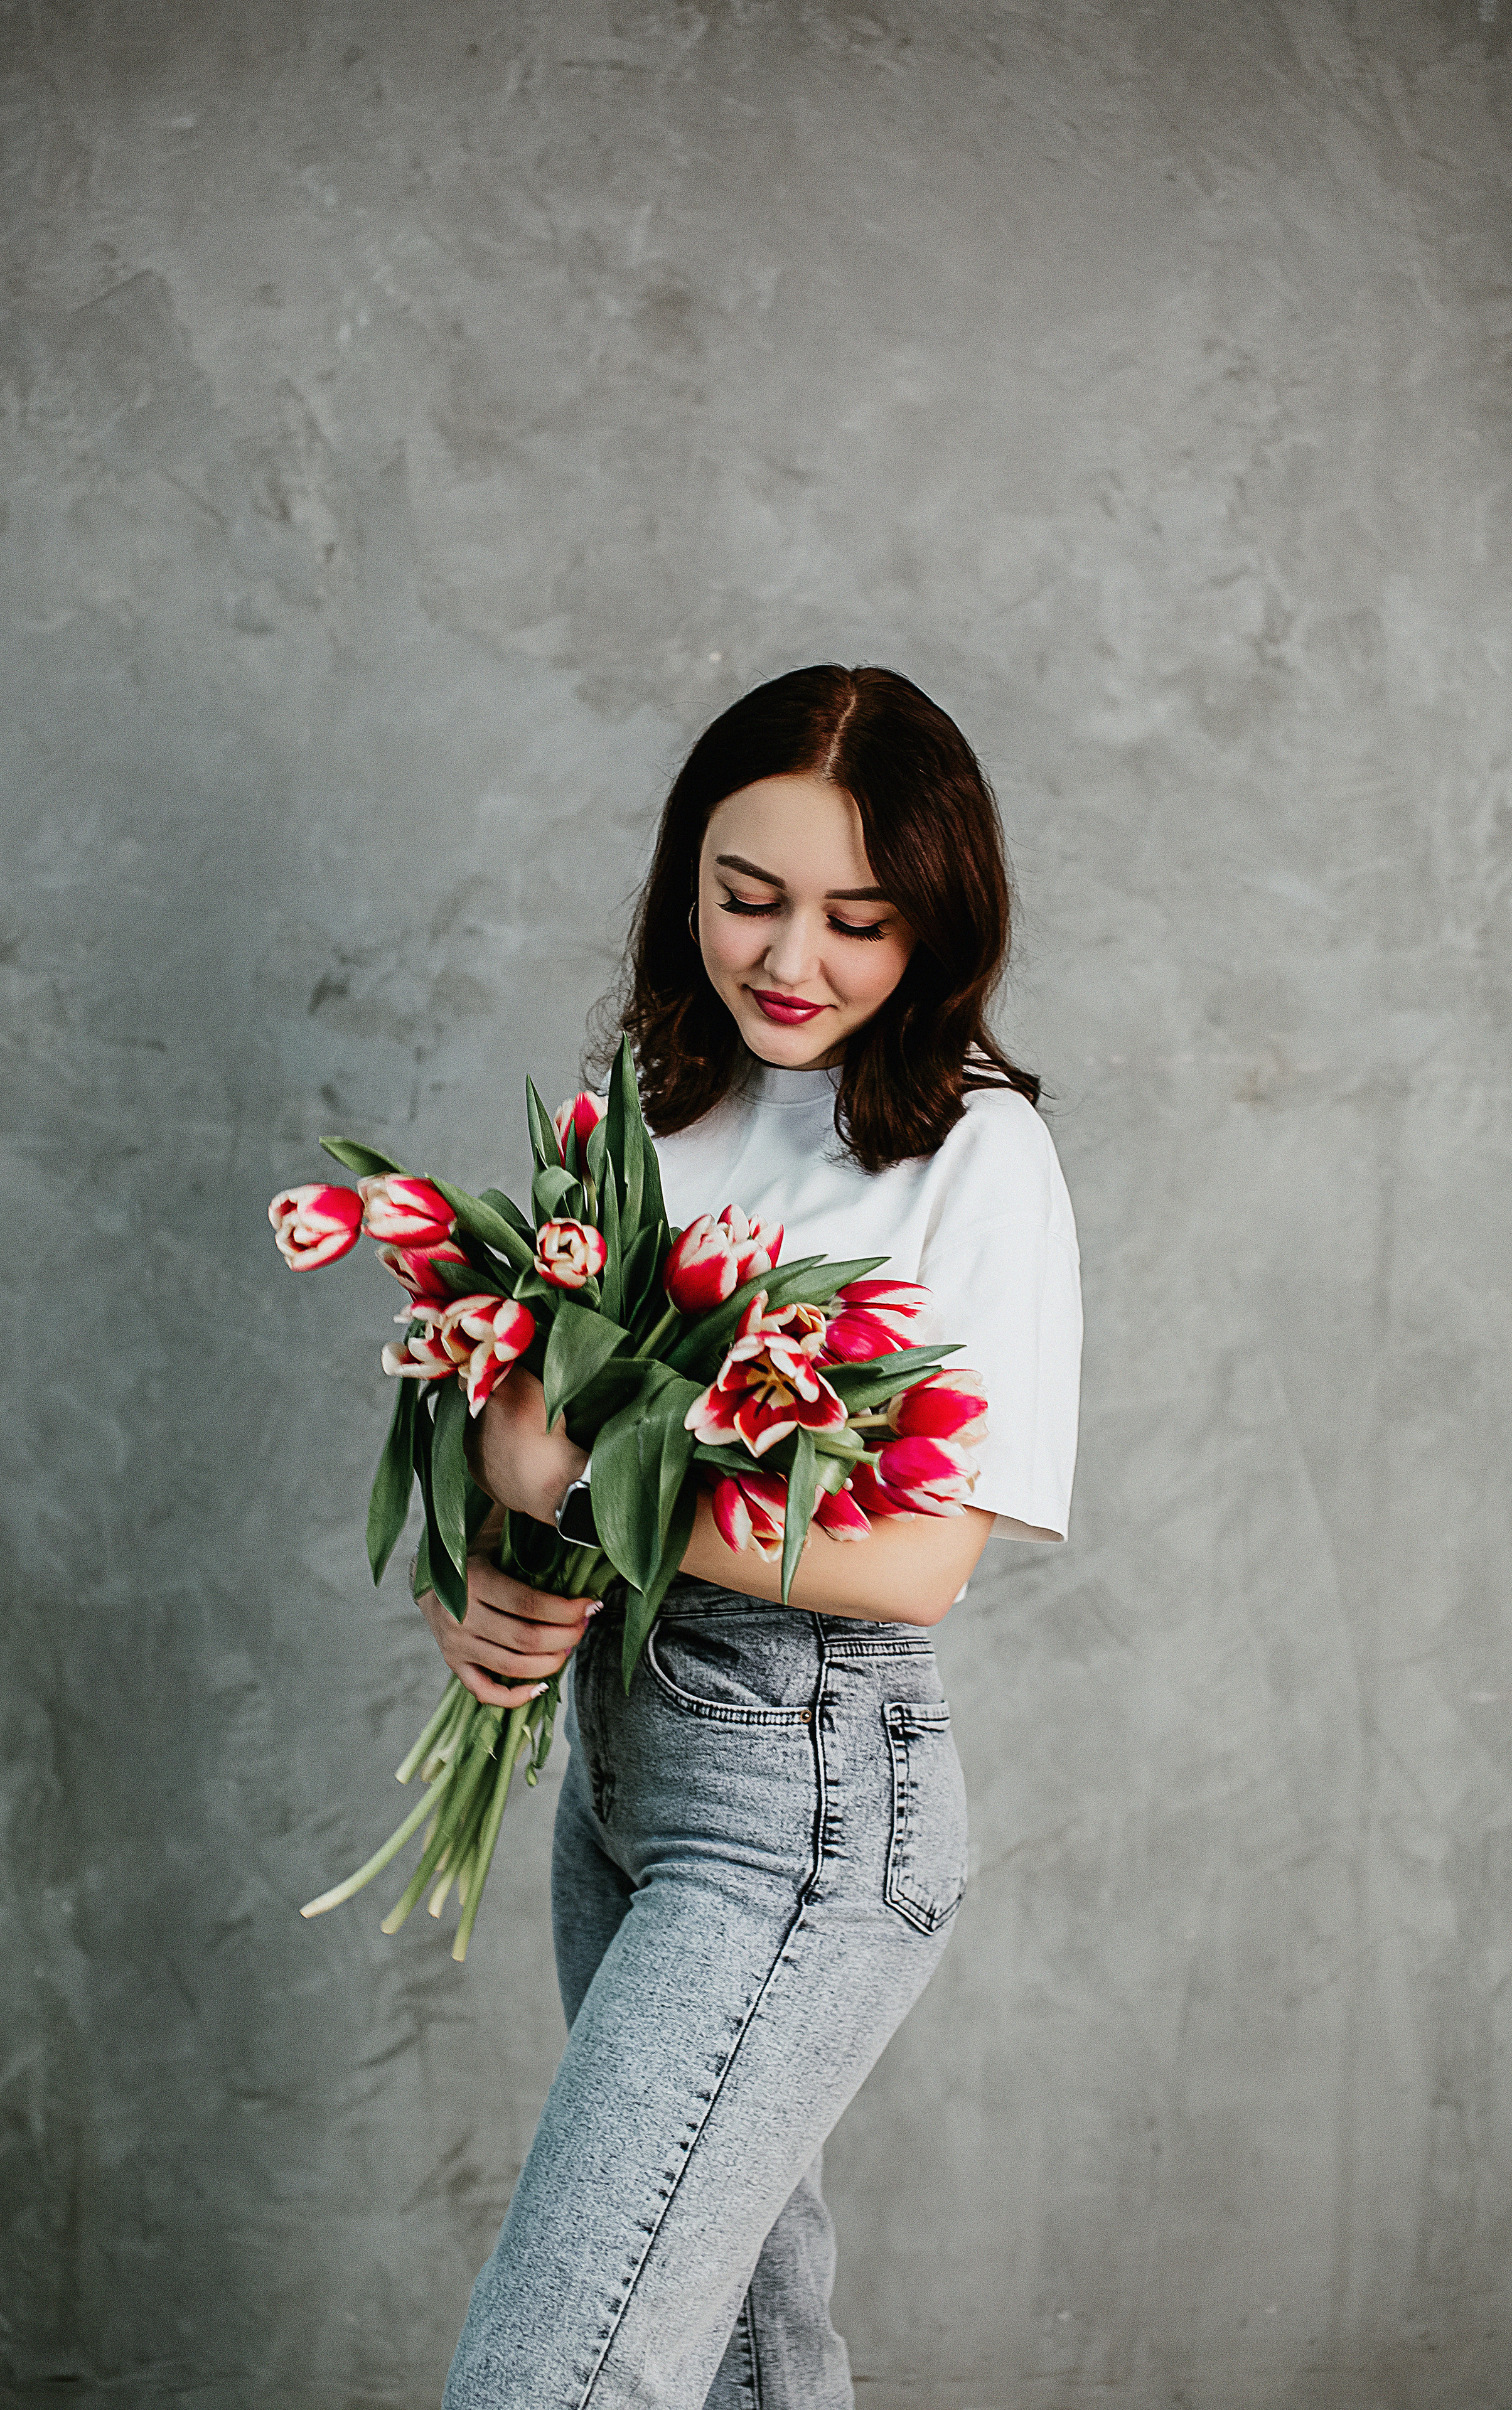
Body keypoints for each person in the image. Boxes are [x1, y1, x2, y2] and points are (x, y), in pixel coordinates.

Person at [423, 665, 1081, 2409]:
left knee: (555, 2373)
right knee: (745, 2357)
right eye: (746, 898)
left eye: (856, 920)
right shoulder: (640, 1124)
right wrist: (486, 1584)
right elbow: (515, 1420)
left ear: (936, 928)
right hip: (617, 1782)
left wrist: (570, 1488)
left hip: (806, 1801)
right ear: (683, 882)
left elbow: (917, 1561)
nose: (791, 960)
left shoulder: (974, 1152)